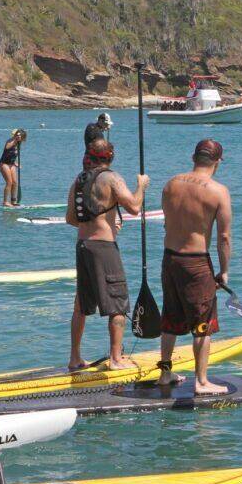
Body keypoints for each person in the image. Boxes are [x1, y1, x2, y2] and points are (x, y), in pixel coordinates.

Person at [65, 139, 149, 371]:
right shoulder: (112, 178)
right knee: (118, 303)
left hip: (83, 246)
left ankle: (74, 358)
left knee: (81, 305)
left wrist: (97, 223)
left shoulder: (79, 180)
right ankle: (115, 358)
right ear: (110, 157)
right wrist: (141, 185)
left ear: (90, 156)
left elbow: (71, 218)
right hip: (104, 248)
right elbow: (134, 206)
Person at [157, 139, 232, 394]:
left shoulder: (171, 184)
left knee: (170, 318)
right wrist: (224, 271)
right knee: (203, 323)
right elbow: (224, 238)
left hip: (170, 259)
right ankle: (201, 382)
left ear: (193, 157)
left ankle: (165, 373)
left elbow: (168, 223)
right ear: (218, 161)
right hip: (196, 263)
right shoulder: (218, 191)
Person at [0, 129, 27, 207]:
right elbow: (7, 148)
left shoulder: (19, 143)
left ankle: (13, 201)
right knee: (9, 182)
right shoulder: (10, 141)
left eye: (20, 135)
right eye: (17, 135)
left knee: (15, 182)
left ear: (22, 137)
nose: (18, 136)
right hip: (3, 164)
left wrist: (16, 163)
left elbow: (12, 155)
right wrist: (14, 139)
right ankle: (5, 202)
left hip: (11, 164)